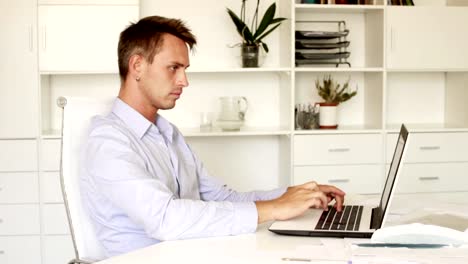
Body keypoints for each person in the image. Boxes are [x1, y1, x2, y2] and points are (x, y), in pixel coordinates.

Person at [81, 15, 346, 258]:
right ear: (137, 65)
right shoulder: (108, 141)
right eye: (173, 68)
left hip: (194, 254)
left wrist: (292, 195)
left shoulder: (167, 133)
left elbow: (219, 197)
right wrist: (275, 209)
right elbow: (166, 219)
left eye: (184, 69)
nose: (184, 81)